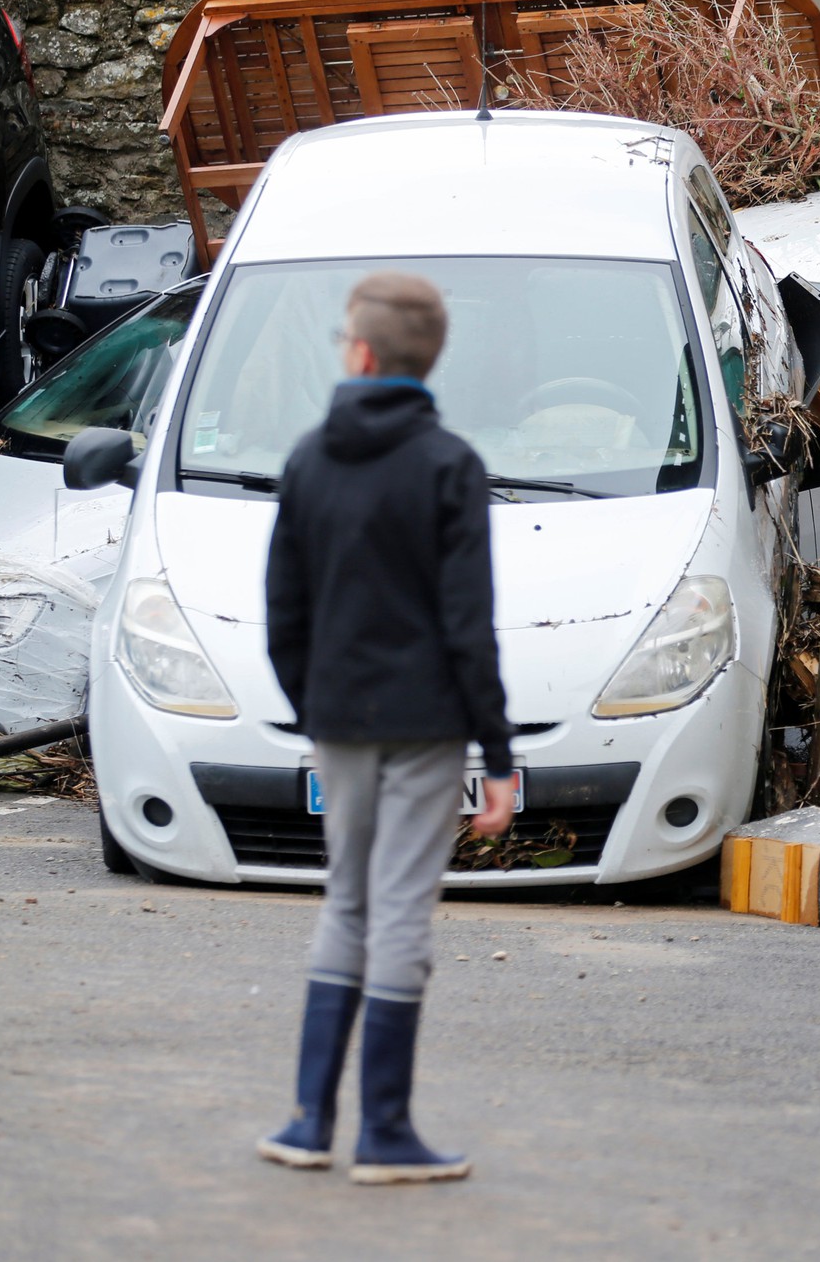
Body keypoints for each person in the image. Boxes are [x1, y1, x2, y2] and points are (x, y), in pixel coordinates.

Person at [257, 271, 516, 1185]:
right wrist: (498, 755)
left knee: (346, 902)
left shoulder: (306, 460)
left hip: (339, 717)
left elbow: (281, 607)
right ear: (426, 359)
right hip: (426, 724)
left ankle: (304, 1123)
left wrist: (312, 701)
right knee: (400, 907)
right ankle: (386, 1134)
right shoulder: (450, 464)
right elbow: (467, 623)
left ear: (360, 354)